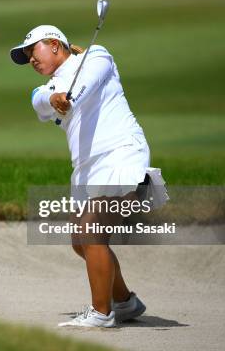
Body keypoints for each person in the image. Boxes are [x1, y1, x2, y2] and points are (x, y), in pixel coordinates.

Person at [10, 25, 168, 328]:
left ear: (55, 45)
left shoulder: (98, 56)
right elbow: (38, 100)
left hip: (121, 153)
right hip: (86, 169)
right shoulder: (48, 89)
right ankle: (125, 302)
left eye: (33, 51)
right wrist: (55, 98)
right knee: (79, 241)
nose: (30, 59)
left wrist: (71, 96)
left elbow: (90, 80)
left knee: (92, 231)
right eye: (27, 56)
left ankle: (101, 313)